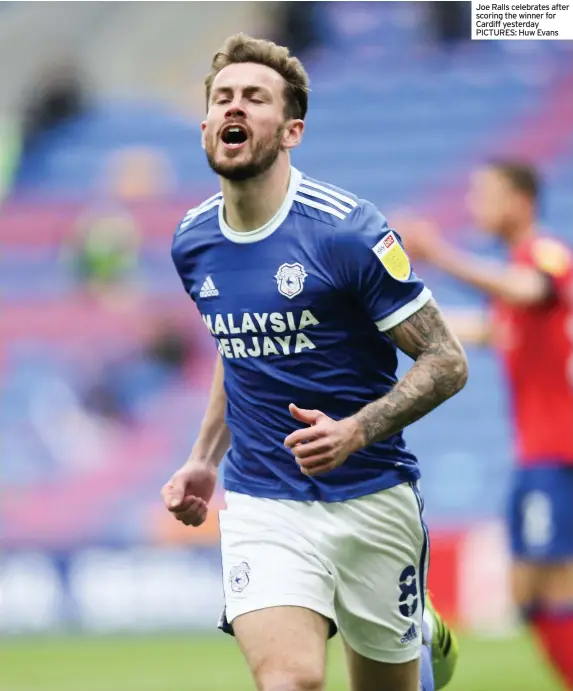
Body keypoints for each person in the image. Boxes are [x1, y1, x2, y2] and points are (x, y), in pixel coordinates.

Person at [163, 34, 466, 691]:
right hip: (261, 497)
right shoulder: (192, 241)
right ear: (206, 123)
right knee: (289, 681)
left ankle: (420, 640)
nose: (232, 107)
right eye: (221, 98)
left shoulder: (347, 232)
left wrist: (356, 428)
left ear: (290, 128)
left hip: (371, 496)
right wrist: (203, 457)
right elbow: (236, 345)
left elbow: (446, 360)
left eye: (253, 97)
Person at [400, 161, 573, 689]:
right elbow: (483, 329)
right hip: (535, 457)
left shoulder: (541, 253)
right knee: (526, 596)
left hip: (561, 456)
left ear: (519, 201)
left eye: (486, 193)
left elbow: (529, 289)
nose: (476, 205)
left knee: (556, 589)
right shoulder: (511, 286)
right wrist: (389, 307)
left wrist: (441, 255)